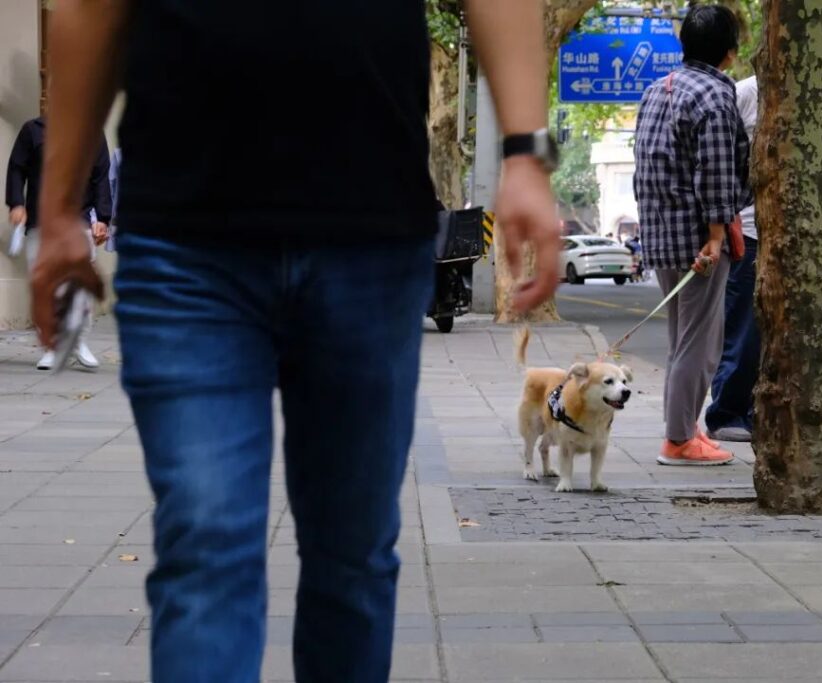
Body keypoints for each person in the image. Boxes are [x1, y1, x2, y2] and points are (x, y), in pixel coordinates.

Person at [32, 2, 559, 682]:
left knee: (355, 557)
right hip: (186, 236)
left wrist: (526, 151)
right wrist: (57, 210)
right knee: (206, 544)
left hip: (370, 227)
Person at [634, 5, 749, 466]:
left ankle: (684, 430)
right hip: (699, 239)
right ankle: (679, 439)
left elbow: (648, 163)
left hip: (660, 234)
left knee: (682, 340)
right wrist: (717, 236)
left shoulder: (655, 90)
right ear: (730, 52)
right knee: (699, 345)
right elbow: (717, 173)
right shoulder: (715, 98)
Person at [4, 114, 110, 370]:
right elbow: (17, 168)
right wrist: (17, 203)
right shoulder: (32, 130)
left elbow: (100, 176)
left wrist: (103, 217)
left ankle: (79, 341)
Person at [705, 76, 758, 443]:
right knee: (744, 328)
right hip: (749, 230)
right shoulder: (745, 93)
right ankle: (726, 411)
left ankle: (758, 410)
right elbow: (717, 162)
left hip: (793, 232)